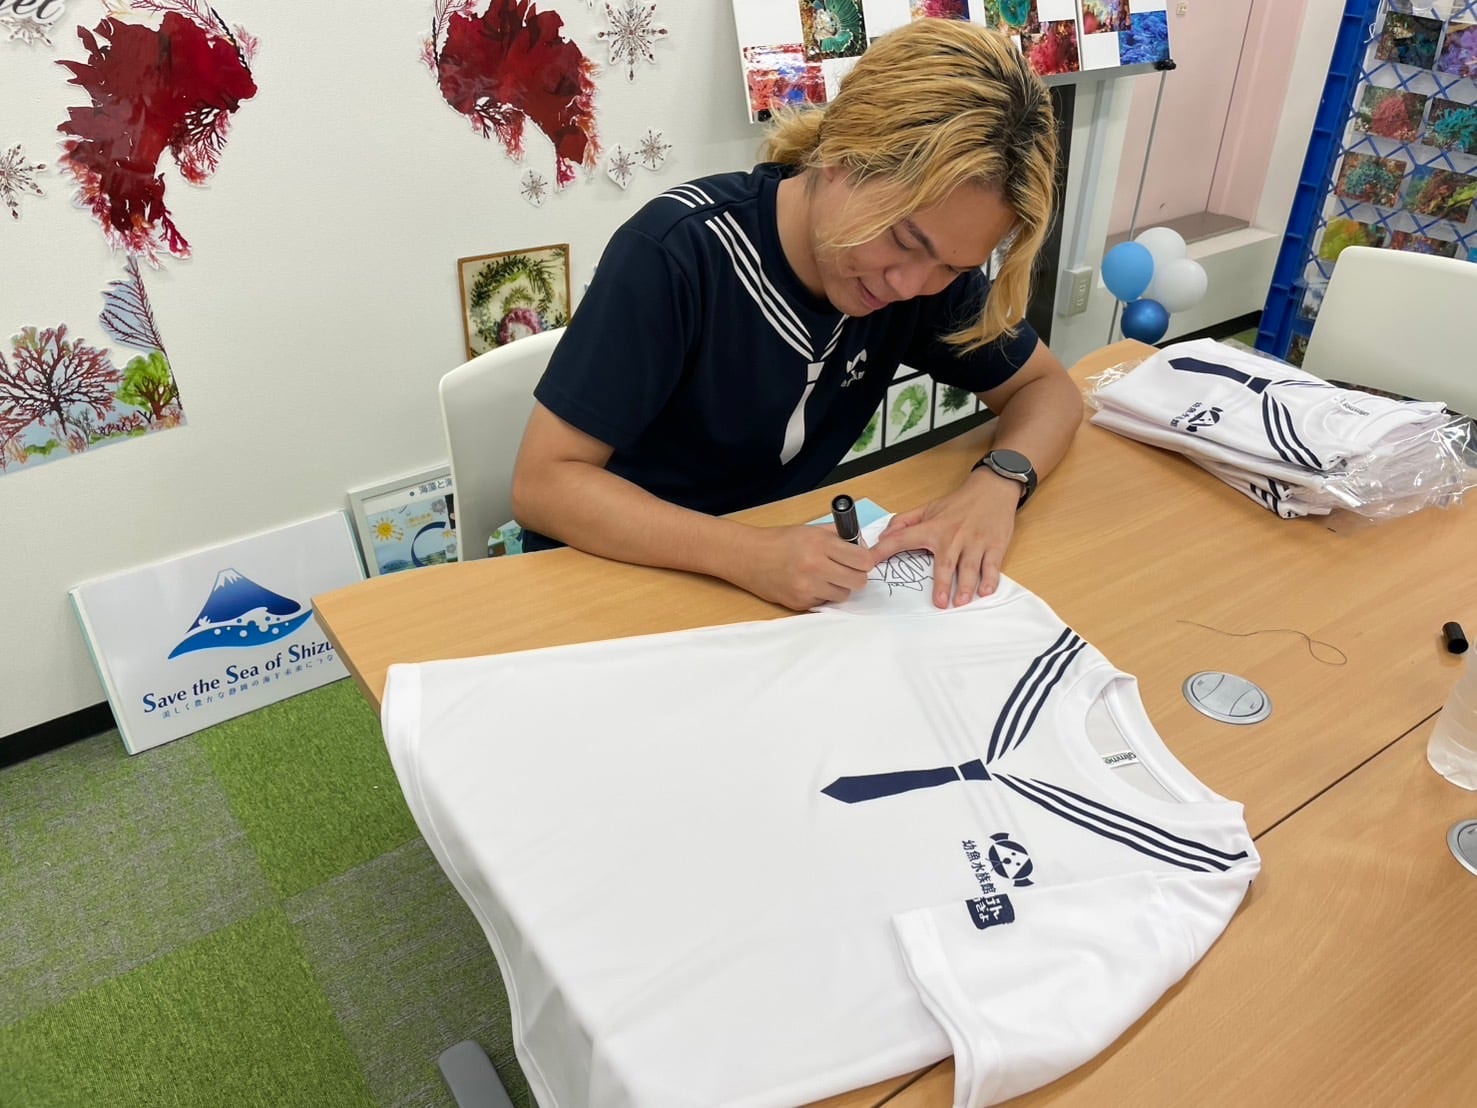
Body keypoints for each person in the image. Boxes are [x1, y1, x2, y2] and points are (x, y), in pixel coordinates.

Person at [511, 18, 1083, 611]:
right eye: (903, 240)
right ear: (840, 155)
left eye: (953, 267)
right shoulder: (679, 252)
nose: (911, 285)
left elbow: (1048, 390)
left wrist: (998, 483)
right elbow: (543, 485)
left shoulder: (924, 273)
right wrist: (745, 553)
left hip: (763, 575)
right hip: (608, 577)